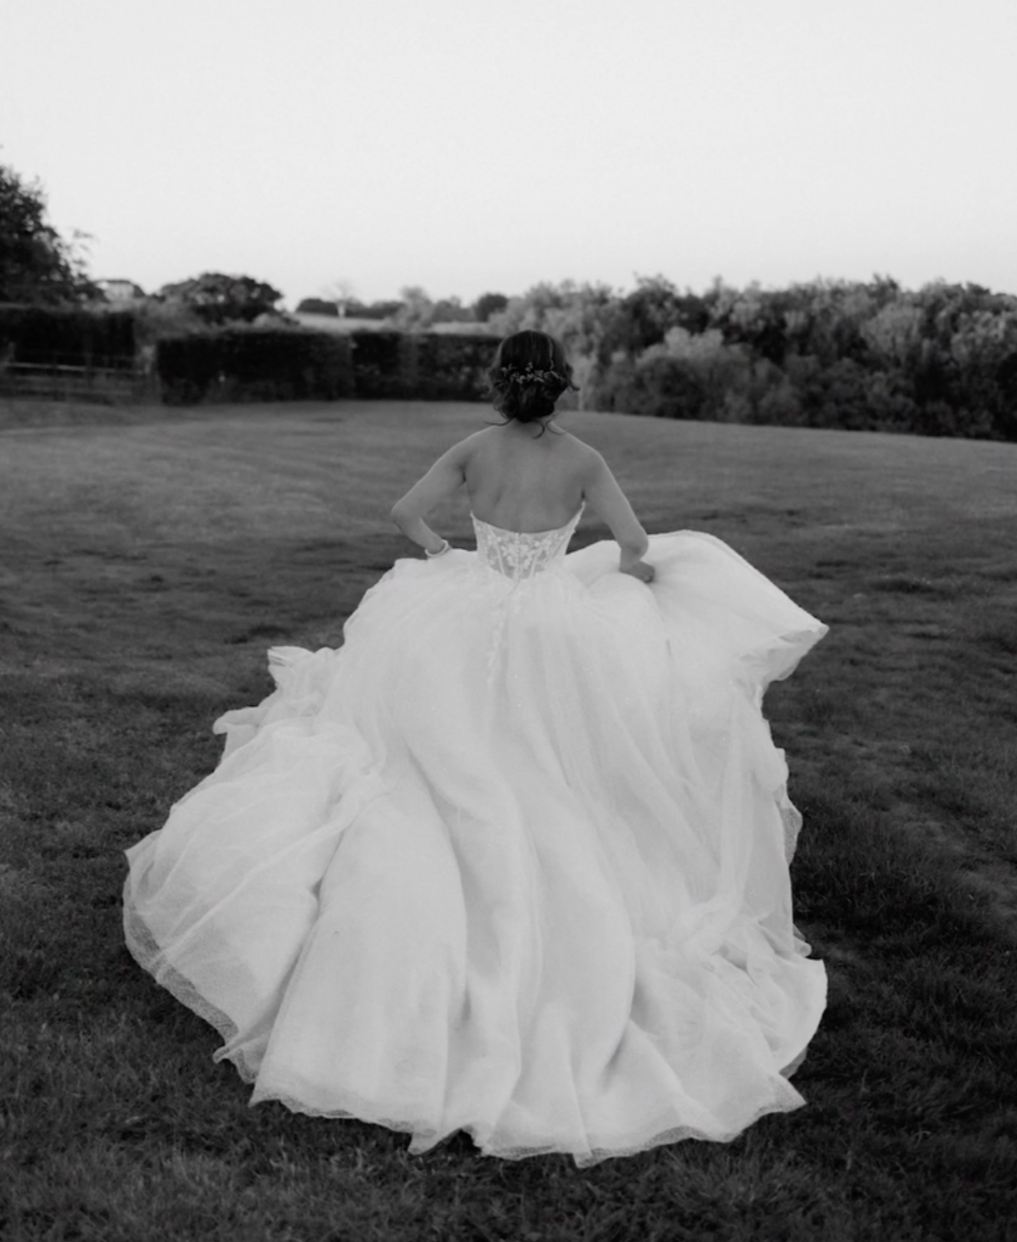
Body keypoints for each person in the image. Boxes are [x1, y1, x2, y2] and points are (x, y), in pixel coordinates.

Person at [124, 329, 828, 1167]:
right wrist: (631, 576)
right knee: (555, 750)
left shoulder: (474, 448)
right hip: (552, 622)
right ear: (561, 386)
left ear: (501, 383)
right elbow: (635, 544)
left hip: (469, 603)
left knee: (439, 736)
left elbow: (404, 513)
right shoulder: (583, 460)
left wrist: (444, 554)